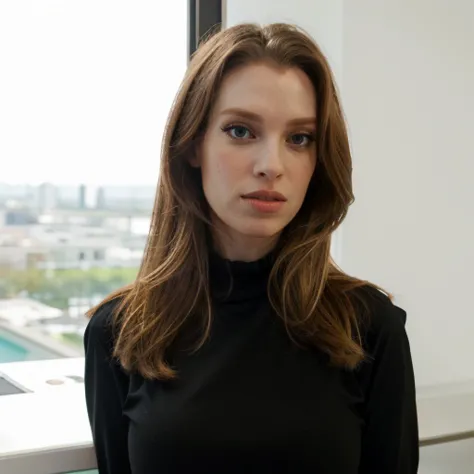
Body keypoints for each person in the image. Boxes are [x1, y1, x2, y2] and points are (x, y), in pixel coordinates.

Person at [84, 23, 419, 474]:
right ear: (192, 144)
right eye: (241, 131)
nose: (272, 166)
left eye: (299, 138)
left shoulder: (369, 328)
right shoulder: (121, 333)